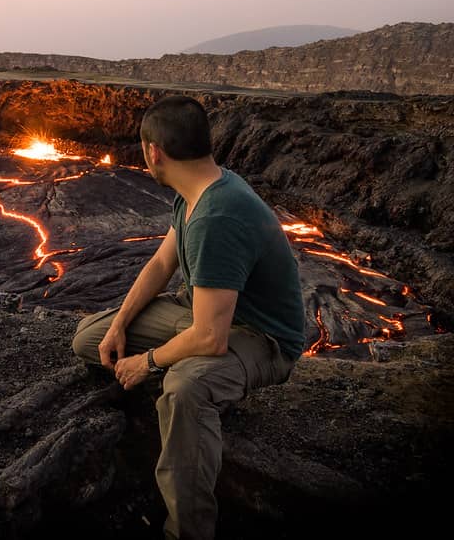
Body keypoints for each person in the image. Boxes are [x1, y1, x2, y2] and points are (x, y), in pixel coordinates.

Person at [71, 94, 305, 540]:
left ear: (152, 152)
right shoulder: (196, 191)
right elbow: (161, 265)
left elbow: (211, 338)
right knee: (90, 338)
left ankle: (188, 530)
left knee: (184, 388)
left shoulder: (217, 216)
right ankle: (178, 381)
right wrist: (120, 324)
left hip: (261, 338)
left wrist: (148, 362)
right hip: (209, 314)